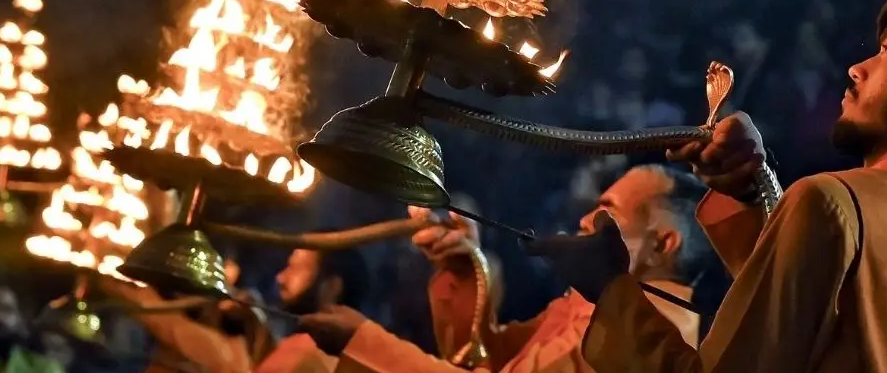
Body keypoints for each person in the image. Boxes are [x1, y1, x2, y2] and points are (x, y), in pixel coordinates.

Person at [526, 0, 887, 373]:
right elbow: (833, 328)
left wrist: (611, 289)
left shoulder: (833, 202)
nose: (856, 67)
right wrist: (751, 185)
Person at [298, 165, 705, 372]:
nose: (586, 221)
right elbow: (486, 357)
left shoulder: (649, 337)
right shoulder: (603, 307)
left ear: (663, 243)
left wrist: (360, 341)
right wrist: (462, 267)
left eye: (607, 210)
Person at [101, 246, 369, 372]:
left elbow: (223, 360)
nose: (281, 277)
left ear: (331, 286)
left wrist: (127, 291)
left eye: (296, 267)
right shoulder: (300, 345)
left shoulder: (321, 361)